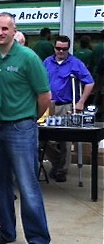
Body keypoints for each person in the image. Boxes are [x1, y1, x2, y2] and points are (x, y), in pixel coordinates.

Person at [0, 12, 52, 244]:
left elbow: (45, 95)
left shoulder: (28, 57)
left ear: (14, 31)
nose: (1, 33)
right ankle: (7, 232)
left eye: (5, 28)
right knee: (0, 186)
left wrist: (29, 119)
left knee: (27, 186)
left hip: (20, 129)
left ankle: (38, 238)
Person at [43, 35, 94, 182]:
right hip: (49, 105)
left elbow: (89, 82)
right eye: (58, 48)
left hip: (66, 105)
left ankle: (61, 171)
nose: (60, 51)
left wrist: (81, 102)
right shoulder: (47, 61)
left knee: (65, 139)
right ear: (54, 48)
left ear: (68, 48)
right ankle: (58, 162)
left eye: (64, 49)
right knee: (45, 139)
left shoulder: (75, 63)